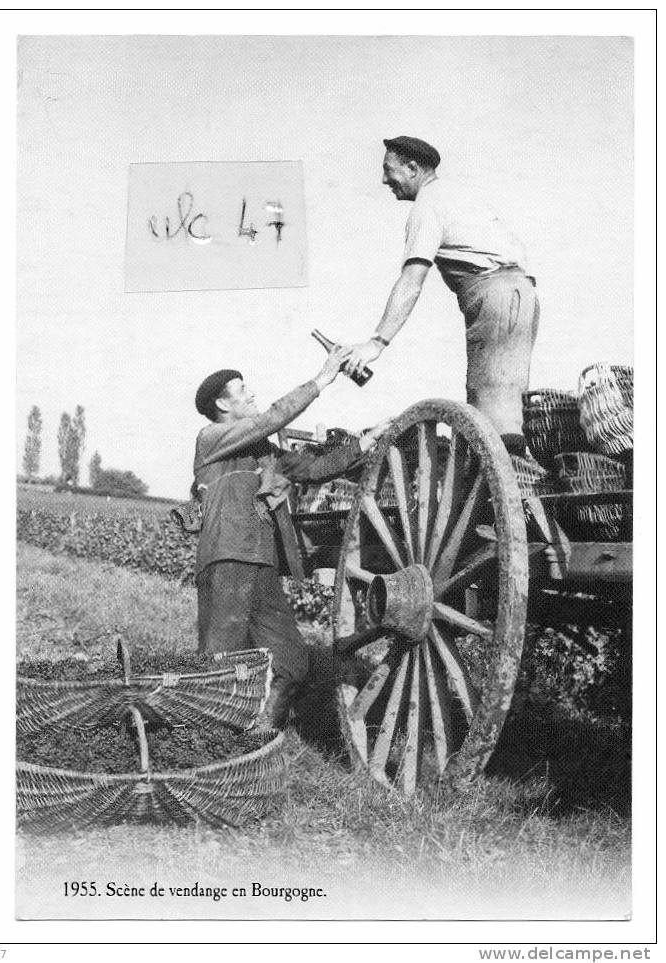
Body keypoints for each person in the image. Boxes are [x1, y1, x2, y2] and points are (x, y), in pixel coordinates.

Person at [188, 347, 390, 728]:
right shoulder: (212, 438)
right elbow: (273, 417)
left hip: (262, 564)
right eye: (242, 390)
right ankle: (205, 749)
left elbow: (316, 468)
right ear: (221, 403)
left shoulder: (265, 451)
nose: (251, 394)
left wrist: (367, 441)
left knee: (292, 663)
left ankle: (257, 739)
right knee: (217, 663)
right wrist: (322, 378)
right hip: (228, 557)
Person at [343, 135, 540, 455]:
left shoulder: (427, 205)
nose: (383, 180)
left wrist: (375, 343)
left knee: (493, 408)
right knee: (506, 400)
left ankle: (506, 496)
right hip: (521, 293)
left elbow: (411, 281)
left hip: (494, 295)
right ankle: (516, 487)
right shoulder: (456, 194)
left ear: (411, 168)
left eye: (388, 170)